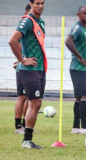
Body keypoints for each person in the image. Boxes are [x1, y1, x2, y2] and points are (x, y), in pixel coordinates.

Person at [9, 0, 46, 149]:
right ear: (31, 4)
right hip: (30, 70)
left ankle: (27, 138)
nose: (40, 6)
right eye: (37, 3)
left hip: (39, 69)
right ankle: (26, 139)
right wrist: (22, 60)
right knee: (34, 102)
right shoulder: (27, 21)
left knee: (36, 103)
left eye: (43, 3)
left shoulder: (40, 22)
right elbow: (12, 41)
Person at [65, 6, 86, 134]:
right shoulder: (77, 27)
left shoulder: (85, 28)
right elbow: (68, 40)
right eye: (85, 13)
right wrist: (80, 57)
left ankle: (76, 127)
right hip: (78, 67)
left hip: (84, 68)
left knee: (79, 97)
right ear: (78, 14)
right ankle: (85, 127)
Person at [13, 3, 31, 135]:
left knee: (29, 98)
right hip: (22, 67)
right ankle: (18, 126)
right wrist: (21, 60)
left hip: (29, 67)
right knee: (22, 96)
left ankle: (25, 125)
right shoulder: (24, 23)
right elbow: (15, 43)